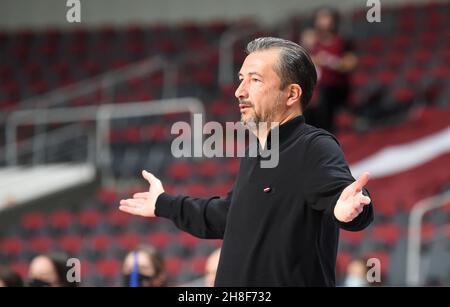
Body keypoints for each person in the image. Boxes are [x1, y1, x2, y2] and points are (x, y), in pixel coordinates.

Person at [119, 37, 374, 286]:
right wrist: (164, 203)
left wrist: (348, 210)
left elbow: (347, 199)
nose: (239, 91)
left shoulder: (313, 145)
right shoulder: (257, 153)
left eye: (255, 80)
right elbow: (228, 216)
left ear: (292, 94)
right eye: (241, 80)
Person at [305, 7, 357, 132]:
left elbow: (350, 64)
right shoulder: (311, 40)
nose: (321, 21)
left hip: (338, 87)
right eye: (319, 18)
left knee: (336, 123)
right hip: (320, 88)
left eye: (325, 17)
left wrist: (329, 61)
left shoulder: (343, 41)